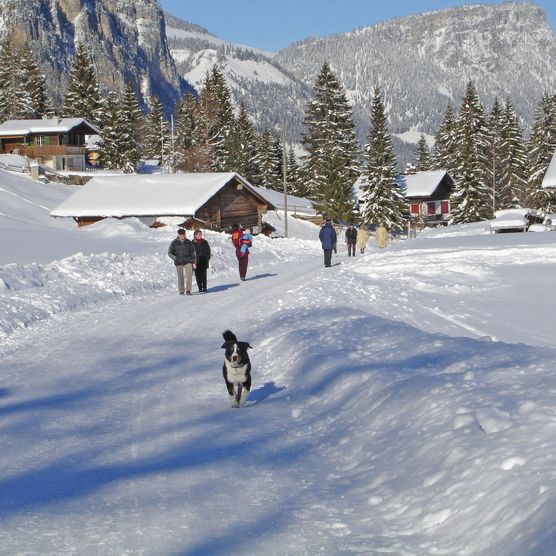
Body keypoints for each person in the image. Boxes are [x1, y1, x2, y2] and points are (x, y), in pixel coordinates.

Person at [168, 228, 196, 295]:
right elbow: (169, 252)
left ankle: (188, 290)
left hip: (188, 261)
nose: (182, 235)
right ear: (178, 234)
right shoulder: (174, 242)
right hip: (179, 262)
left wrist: (194, 262)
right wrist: (175, 258)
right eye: (181, 234)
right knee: (180, 276)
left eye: (183, 234)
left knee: (189, 275)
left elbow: (193, 252)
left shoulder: (188, 242)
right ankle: (181, 290)